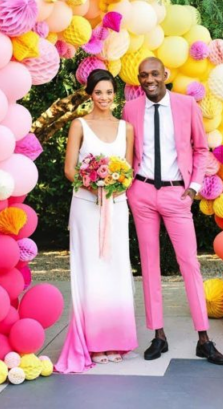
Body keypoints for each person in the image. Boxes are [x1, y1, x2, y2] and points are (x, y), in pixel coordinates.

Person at [122, 57, 223, 365]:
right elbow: (127, 151)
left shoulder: (186, 105)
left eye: (154, 74)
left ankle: (204, 338)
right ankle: (158, 335)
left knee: (189, 263)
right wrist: (128, 188)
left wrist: (193, 187)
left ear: (165, 75)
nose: (148, 79)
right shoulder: (130, 109)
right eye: (143, 75)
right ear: (139, 80)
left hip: (176, 192)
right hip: (141, 192)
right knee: (149, 264)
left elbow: (200, 148)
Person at [55, 69, 138, 373]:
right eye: (99, 92)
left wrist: (115, 184)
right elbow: (69, 169)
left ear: (115, 95)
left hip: (116, 207)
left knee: (115, 268)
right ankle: (92, 342)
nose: (104, 98)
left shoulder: (126, 128)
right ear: (90, 94)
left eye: (109, 92)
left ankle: (116, 339)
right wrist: (93, 184)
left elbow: (127, 171)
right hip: (86, 207)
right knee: (91, 268)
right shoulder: (79, 125)